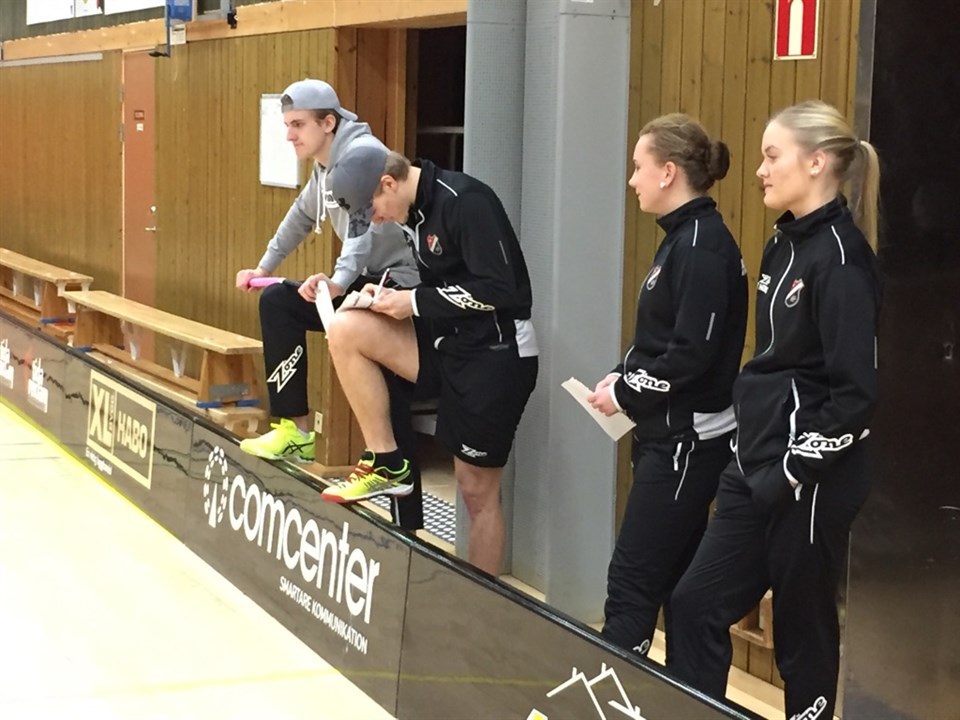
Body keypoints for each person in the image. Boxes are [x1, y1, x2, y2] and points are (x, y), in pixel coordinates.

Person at [667, 100, 882, 720]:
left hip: (808, 478)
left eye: (771, 156)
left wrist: (793, 468)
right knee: (693, 605)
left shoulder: (841, 260)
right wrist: (751, 449)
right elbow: (772, 367)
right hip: (753, 466)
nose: (759, 170)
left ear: (816, 163)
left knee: (801, 634)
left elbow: (855, 395)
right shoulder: (782, 245)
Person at [320, 140, 538, 577]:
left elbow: (503, 291)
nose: (376, 221)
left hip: (496, 354)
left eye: (373, 210)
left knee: (475, 490)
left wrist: (414, 302)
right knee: (345, 328)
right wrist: (385, 296)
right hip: (448, 343)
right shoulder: (413, 214)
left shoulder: (466, 201)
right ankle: (388, 461)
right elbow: (441, 284)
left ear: (388, 183)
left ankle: (478, 602)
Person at [586, 114, 747, 658]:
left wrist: (625, 394)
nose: (632, 179)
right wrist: (623, 373)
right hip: (666, 437)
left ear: (668, 172)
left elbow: (691, 356)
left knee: (632, 583)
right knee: (678, 590)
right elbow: (661, 341)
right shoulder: (682, 238)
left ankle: (607, 691)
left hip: (686, 445)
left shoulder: (702, 246)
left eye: (639, 167)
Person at [234, 79, 419, 465]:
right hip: (363, 279)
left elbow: (361, 231)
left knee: (392, 398)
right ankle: (295, 430)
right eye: (287, 125)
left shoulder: (362, 155)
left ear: (328, 123)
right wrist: (263, 266)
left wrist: (337, 283)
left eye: (298, 124)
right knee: (279, 302)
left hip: (399, 282)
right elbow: (300, 216)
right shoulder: (324, 167)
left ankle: (396, 479)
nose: (289, 135)